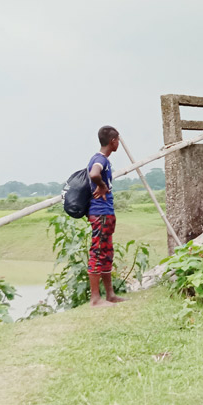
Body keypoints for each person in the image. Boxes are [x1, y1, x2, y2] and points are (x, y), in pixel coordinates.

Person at [87, 126, 126, 307]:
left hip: (106, 213)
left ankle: (110, 294)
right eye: (118, 140)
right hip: (100, 213)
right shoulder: (99, 159)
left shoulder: (103, 160)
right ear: (113, 141)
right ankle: (95, 299)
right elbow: (94, 173)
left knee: (106, 253)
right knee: (98, 252)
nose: (118, 143)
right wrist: (102, 185)